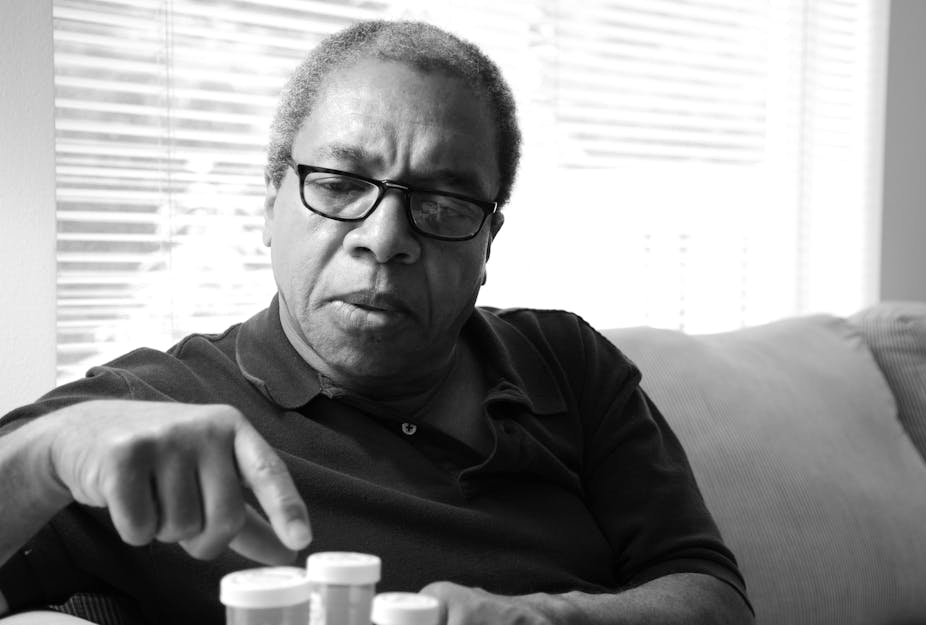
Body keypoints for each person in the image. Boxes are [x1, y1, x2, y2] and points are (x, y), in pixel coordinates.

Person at [0, 20, 754, 625]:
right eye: (338, 183)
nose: (386, 237)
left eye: (443, 205)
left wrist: (545, 616)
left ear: (488, 241)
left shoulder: (567, 361)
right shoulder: (151, 412)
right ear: (270, 207)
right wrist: (47, 454)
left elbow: (710, 592)